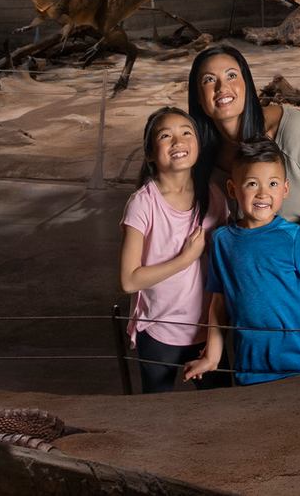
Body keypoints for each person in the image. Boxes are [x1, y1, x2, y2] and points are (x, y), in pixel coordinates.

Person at [187, 43, 300, 359]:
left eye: (232, 75)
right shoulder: (205, 155)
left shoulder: (291, 130)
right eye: (209, 80)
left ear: (246, 83)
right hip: (279, 260)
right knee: (288, 354)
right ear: (198, 97)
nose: (222, 87)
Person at [183, 139, 300, 385]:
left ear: (285, 190)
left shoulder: (295, 239)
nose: (263, 193)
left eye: (273, 184)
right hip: (249, 366)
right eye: (252, 184)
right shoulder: (223, 241)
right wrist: (212, 356)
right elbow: (219, 301)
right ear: (233, 189)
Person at [117, 105, 221, 392]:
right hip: (159, 330)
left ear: (198, 144)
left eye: (186, 132)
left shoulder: (213, 195)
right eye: (166, 135)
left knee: (221, 409)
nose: (178, 141)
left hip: (208, 329)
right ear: (150, 153)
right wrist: (186, 258)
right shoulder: (143, 203)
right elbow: (129, 280)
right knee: (157, 412)